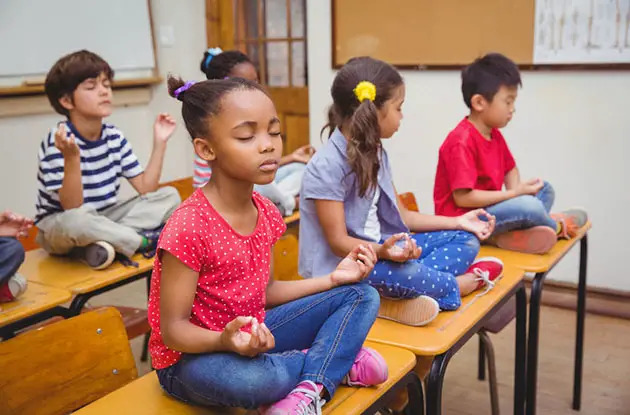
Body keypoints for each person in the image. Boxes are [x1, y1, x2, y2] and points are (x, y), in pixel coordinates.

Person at [148, 75, 387, 415]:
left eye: (274, 132)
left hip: (256, 332)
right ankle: (332, 363)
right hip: (192, 359)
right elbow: (173, 331)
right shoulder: (188, 226)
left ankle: (312, 386)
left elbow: (266, 292)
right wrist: (224, 340)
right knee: (256, 383)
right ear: (206, 149)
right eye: (247, 135)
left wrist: (333, 280)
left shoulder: (266, 212)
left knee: (361, 294)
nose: (268, 145)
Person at [298, 57, 503, 326]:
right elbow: (338, 243)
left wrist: (458, 221)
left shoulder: (376, 153)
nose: (402, 116)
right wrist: (384, 252)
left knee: (465, 239)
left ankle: (400, 296)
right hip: (345, 268)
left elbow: (404, 216)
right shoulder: (326, 166)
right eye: (399, 107)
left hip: (381, 254)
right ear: (374, 111)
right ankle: (459, 284)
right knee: (404, 273)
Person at [35, 50, 181, 269]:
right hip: (59, 227)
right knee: (79, 221)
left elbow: (146, 189)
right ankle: (142, 241)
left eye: (106, 84)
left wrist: (160, 142)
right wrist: (72, 157)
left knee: (170, 195)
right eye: (92, 86)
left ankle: (103, 244)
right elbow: (72, 207)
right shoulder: (58, 139)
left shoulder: (114, 136)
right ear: (66, 100)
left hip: (106, 217)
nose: (104, 91)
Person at [433, 53, 587, 254]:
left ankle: (504, 235)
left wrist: (516, 190)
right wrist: (515, 195)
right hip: (466, 220)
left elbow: (510, 168)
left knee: (544, 189)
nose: (512, 109)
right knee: (528, 206)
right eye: (508, 101)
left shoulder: (493, 134)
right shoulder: (460, 140)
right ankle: (555, 225)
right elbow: (464, 199)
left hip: (491, 211)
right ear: (479, 103)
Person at [194, 47, 313, 215]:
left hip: (248, 177)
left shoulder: (250, 112)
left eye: (274, 132)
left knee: (302, 170)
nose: (255, 89)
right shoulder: (216, 122)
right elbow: (244, 169)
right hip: (229, 191)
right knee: (265, 184)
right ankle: (286, 203)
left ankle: (276, 203)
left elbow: (254, 161)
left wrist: (292, 157)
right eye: (246, 136)